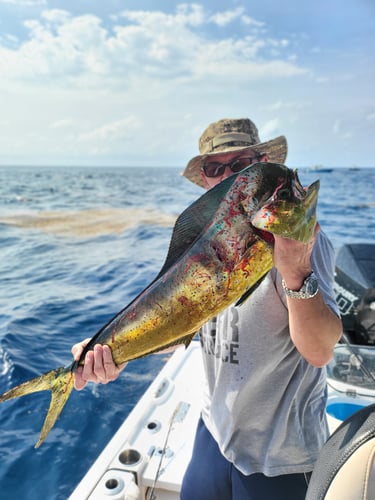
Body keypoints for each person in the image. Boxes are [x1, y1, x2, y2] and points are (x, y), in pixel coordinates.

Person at [72, 118, 342, 499]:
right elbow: (185, 326)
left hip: (280, 457)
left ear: (260, 164)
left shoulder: (303, 242)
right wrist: (111, 352)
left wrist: (296, 271)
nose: (228, 174)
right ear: (206, 181)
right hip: (213, 435)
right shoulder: (204, 252)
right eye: (216, 168)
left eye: (241, 164)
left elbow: (319, 351)